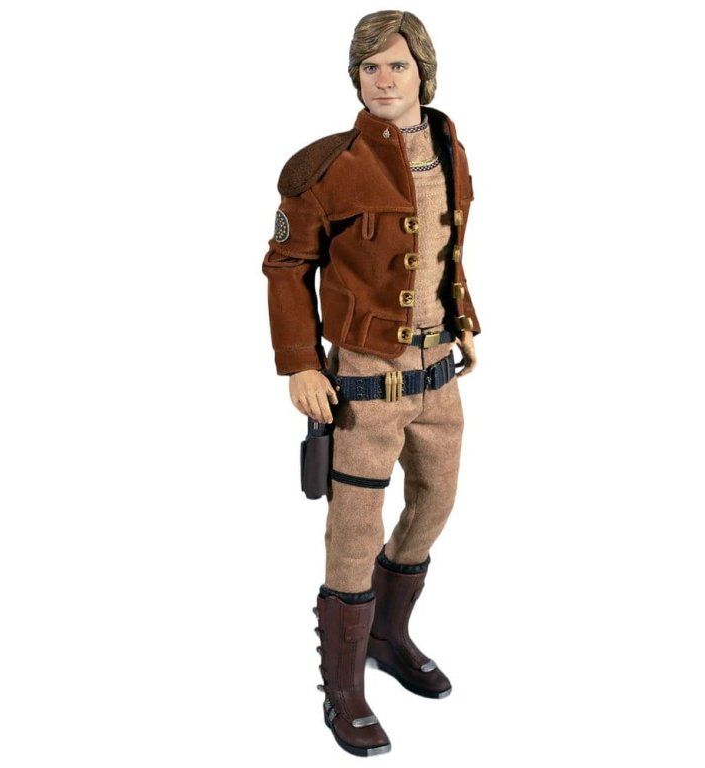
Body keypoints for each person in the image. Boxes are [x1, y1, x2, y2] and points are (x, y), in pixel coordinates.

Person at [261, 10, 482, 756]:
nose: (383, 80)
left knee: (435, 500)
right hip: (363, 376)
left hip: (438, 368)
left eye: (397, 66)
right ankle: (343, 684)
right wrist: (300, 362)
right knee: (355, 530)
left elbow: (449, 246)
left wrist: (464, 318)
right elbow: (286, 265)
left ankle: (388, 635)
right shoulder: (325, 168)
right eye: (370, 67)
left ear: (424, 73)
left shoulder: (448, 147)